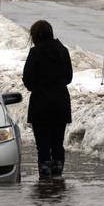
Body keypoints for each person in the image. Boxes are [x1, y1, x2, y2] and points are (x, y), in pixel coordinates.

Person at [22, 20, 73, 179]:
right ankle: (58, 176)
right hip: (60, 104)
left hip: (40, 106)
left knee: (43, 146)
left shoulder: (35, 53)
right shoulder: (63, 51)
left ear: (35, 35)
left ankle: (45, 179)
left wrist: (39, 86)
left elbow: (28, 80)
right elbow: (69, 77)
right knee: (57, 143)